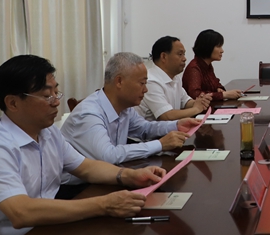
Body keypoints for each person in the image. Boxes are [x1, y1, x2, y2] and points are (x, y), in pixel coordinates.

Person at [0, 55, 165, 235]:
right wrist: (104, 204)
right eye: (47, 96)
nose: (56, 102)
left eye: (57, 92)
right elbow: (21, 212)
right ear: (13, 103)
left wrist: (129, 175)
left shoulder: (48, 133)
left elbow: (86, 167)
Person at [62, 52, 200, 164]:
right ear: (119, 81)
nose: (145, 89)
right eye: (142, 83)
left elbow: (144, 129)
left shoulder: (124, 108)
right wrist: (160, 144)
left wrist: (176, 125)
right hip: (78, 186)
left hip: (108, 175)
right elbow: (108, 156)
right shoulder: (89, 113)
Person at [135, 36, 211, 121]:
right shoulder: (150, 81)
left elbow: (185, 102)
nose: (184, 58)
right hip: (151, 129)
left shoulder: (175, 78)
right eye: (180, 54)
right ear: (164, 56)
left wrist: (200, 102)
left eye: (184, 54)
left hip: (171, 128)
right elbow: (166, 116)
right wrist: (196, 109)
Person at [183, 29, 243, 100]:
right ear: (207, 47)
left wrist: (218, 89)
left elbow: (216, 83)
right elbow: (195, 94)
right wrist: (223, 95)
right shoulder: (194, 68)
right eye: (218, 46)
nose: (222, 51)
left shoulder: (207, 65)